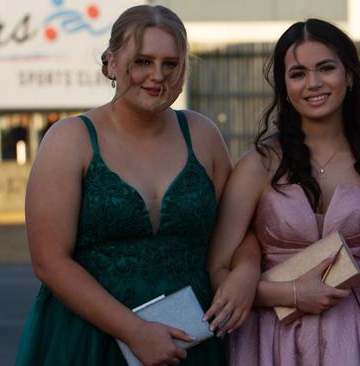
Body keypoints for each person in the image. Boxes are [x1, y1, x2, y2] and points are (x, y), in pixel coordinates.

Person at [15, 5, 256, 365]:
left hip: (190, 340)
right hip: (88, 341)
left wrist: (246, 274)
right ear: (111, 63)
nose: (157, 76)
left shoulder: (202, 135)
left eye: (170, 64)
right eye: (143, 61)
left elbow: (240, 229)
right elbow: (50, 262)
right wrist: (134, 331)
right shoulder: (71, 140)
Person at [205, 18, 360, 366]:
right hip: (271, 338)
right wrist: (289, 293)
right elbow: (217, 269)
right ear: (284, 85)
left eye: (326, 68)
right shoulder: (258, 166)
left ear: (350, 75)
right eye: (298, 73)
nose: (313, 83)